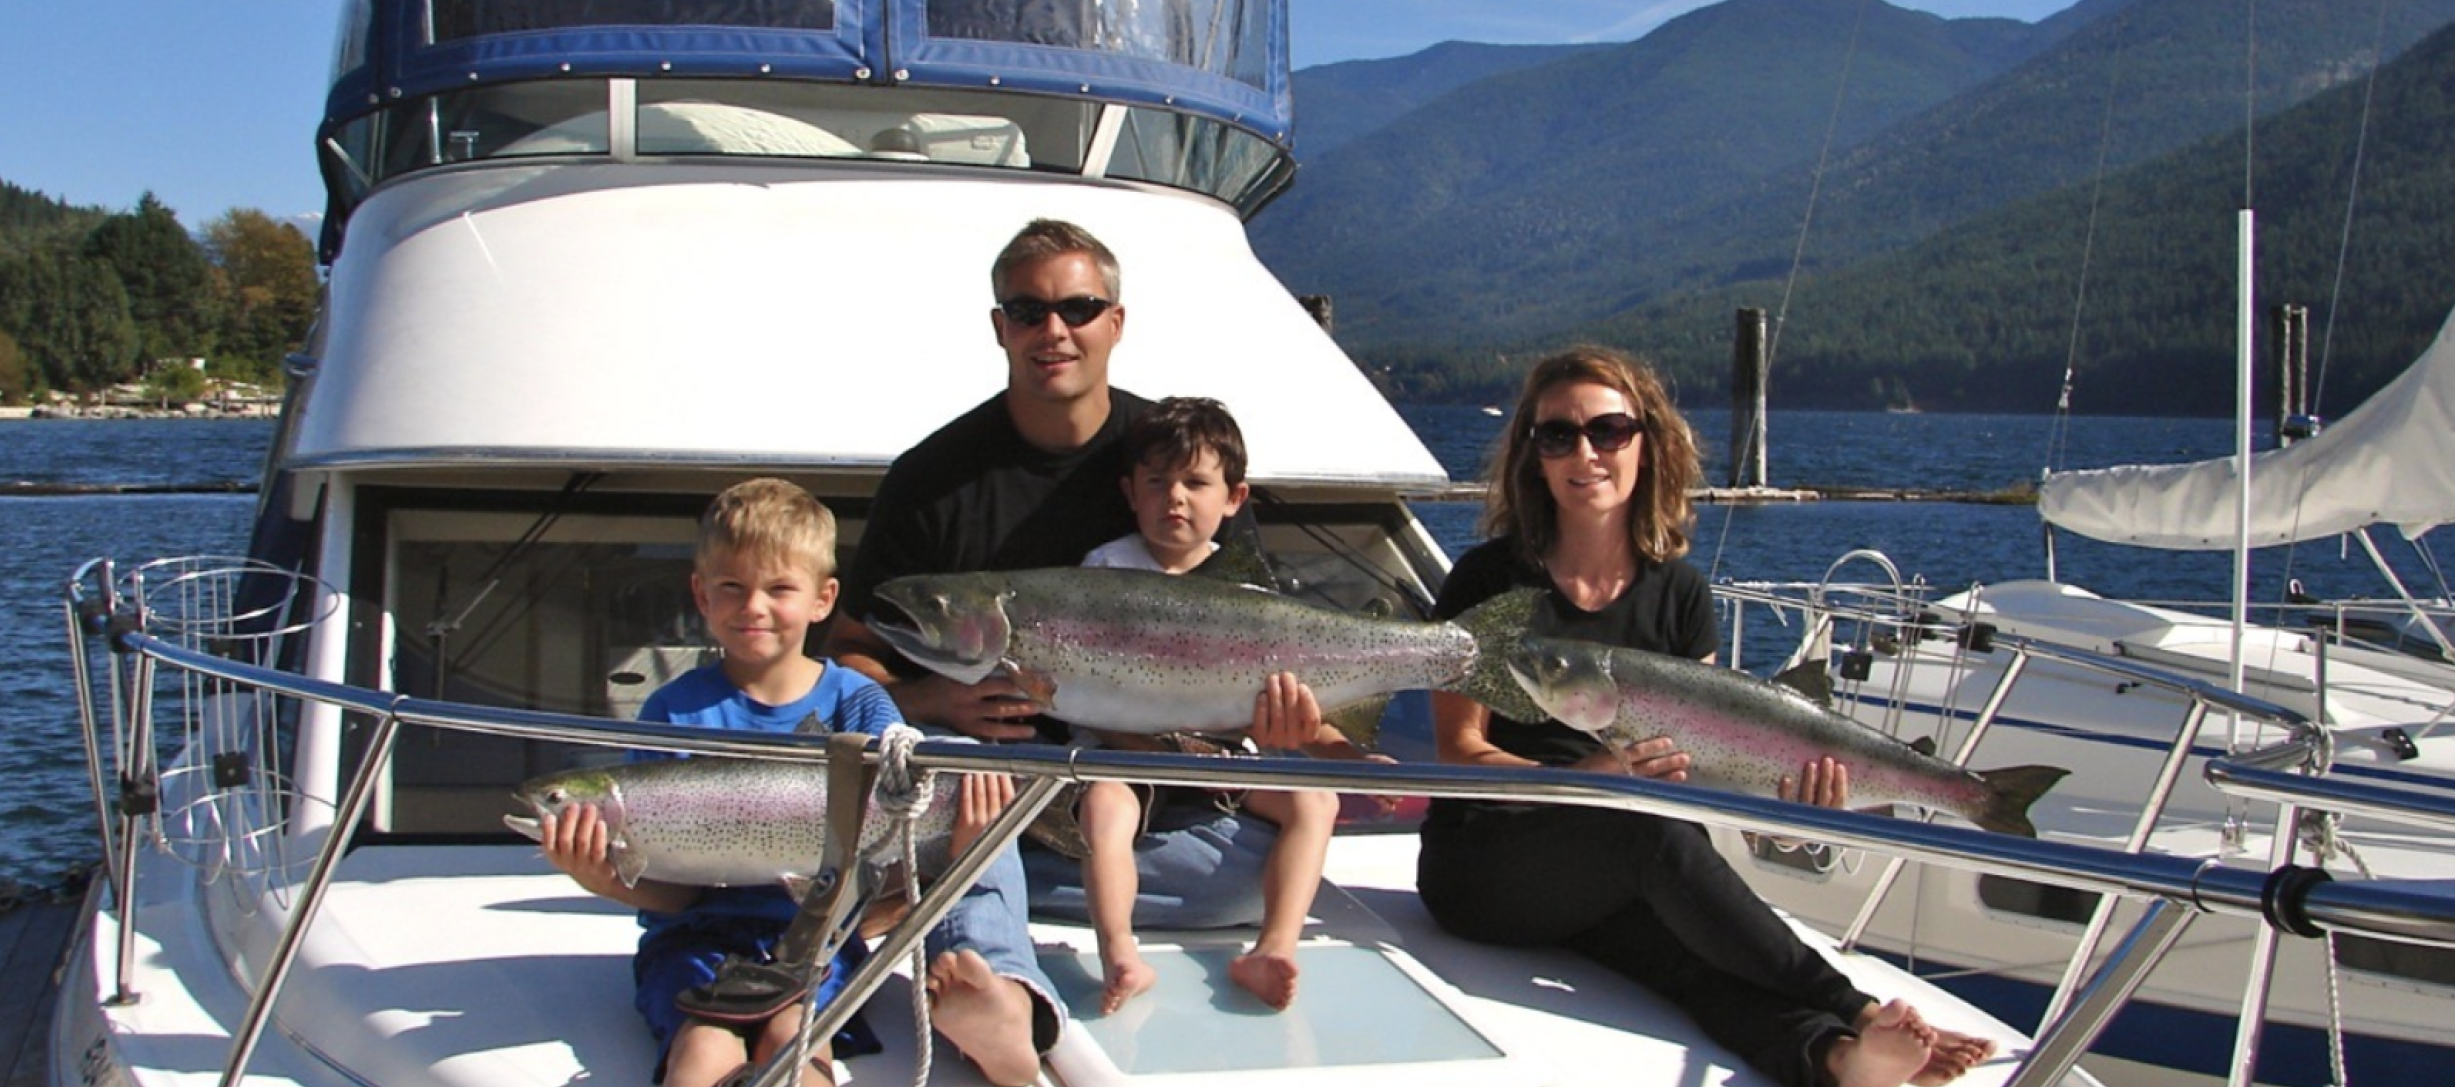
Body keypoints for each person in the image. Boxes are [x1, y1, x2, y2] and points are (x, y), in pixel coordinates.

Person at [1416, 348, 1996, 1087]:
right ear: (1532, 452)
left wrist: (1785, 808)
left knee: (1694, 961)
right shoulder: (1488, 579)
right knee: (1646, 827)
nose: (1583, 452)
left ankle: (1840, 1059)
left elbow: (1704, 769)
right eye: (1556, 434)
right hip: (1487, 867)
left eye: (1609, 430)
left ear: (1647, 442)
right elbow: (1456, 754)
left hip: (1626, 861)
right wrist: (1590, 780)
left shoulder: (1681, 593)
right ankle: (1853, 1005)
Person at [825, 218, 1324, 935]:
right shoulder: (929, 479)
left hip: (1150, 788)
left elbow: (1250, 627)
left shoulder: (1177, 457)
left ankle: (966, 883)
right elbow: (850, 651)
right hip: (991, 776)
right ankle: (988, 929)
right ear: (1001, 327)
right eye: (1029, 310)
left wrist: (1276, 716)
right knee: (967, 785)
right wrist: (930, 698)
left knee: (1246, 882)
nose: (1052, 329)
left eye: (1078, 309)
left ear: (1115, 322)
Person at [537, 478, 1058, 1087]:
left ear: (823, 599)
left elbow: (893, 839)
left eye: (779, 588)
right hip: (692, 944)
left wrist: (963, 844)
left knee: (798, 1041)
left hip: (821, 944)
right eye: (732, 587)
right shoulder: (669, 711)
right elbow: (677, 897)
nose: (753, 606)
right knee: (701, 1051)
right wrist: (599, 874)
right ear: (701, 595)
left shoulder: (859, 703)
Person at [1075, 396, 1376, 1014]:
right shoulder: (1103, 570)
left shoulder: (1248, 592)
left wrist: (1350, 752)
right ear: (1130, 492)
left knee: (1316, 799)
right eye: (1156, 483)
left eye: (1195, 482)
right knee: (1105, 807)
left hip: (1225, 763)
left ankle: (1274, 946)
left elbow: (1288, 706)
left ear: (1234, 498)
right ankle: (1119, 953)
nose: (1174, 498)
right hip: (1129, 760)